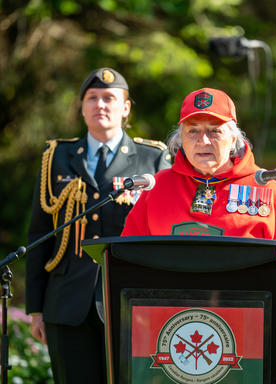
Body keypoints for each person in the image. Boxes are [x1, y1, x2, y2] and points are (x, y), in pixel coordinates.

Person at [25, 67, 171, 384]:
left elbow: (165, 235)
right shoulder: (57, 157)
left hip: (130, 302)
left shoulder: (153, 159)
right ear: (82, 107)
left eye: (109, 98)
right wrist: (36, 309)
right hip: (65, 303)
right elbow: (40, 234)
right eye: (92, 98)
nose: (100, 105)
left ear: (126, 107)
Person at [121, 87, 276, 286]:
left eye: (214, 131)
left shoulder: (265, 187)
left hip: (244, 310)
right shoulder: (158, 187)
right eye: (193, 131)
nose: (203, 140)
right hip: (170, 311)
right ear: (180, 140)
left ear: (233, 139)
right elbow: (126, 256)